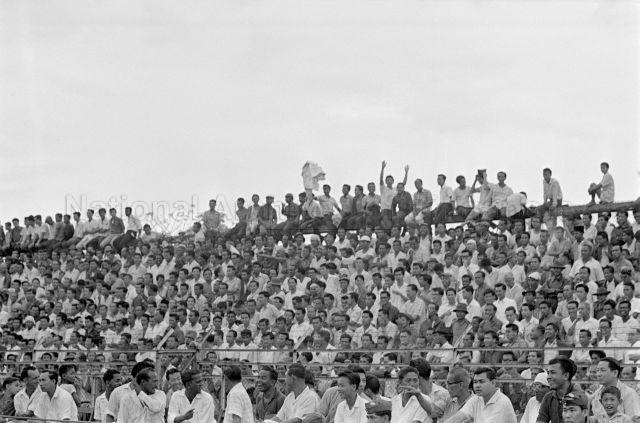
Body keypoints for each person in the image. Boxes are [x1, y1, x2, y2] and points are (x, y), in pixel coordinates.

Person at [442, 367, 516, 423]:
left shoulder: (502, 402)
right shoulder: (476, 399)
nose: (477, 385)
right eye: (475, 382)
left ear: (493, 383)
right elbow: (459, 417)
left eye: (481, 382)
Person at [537, 357, 584, 423]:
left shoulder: (579, 397)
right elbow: (541, 420)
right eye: (548, 373)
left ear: (566, 376)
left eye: (553, 372)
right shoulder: (548, 397)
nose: (548, 377)